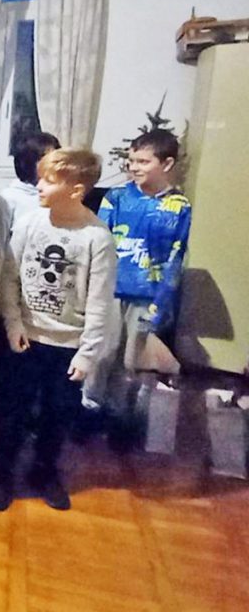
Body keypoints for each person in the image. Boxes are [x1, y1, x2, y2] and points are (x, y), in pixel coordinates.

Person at [0, 149, 117, 512]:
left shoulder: (97, 238)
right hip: (23, 339)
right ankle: (3, 469)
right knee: (11, 409)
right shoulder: (30, 223)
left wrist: (87, 353)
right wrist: (13, 322)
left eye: (49, 180)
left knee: (57, 412)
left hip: (67, 346)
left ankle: (44, 469)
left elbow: (100, 300)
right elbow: (9, 276)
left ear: (76, 190)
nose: (39, 185)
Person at [90, 129, 192, 447]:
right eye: (132, 160)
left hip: (147, 295)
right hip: (109, 291)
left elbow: (175, 258)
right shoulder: (117, 197)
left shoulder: (178, 206)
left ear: (167, 164)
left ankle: (120, 419)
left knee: (130, 361)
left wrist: (161, 305)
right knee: (101, 353)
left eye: (144, 161)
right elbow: (99, 242)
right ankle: (87, 413)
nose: (134, 167)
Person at [0, 132, 61, 451]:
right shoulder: (9, 198)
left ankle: (33, 425)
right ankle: (2, 428)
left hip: (47, 303)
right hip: (11, 297)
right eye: (47, 156)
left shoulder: (61, 198)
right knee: (7, 372)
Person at [0, 132, 62, 254]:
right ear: (29, 161)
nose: (53, 165)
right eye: (46, 159)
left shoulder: (61, 193)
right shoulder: (8, 197)